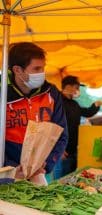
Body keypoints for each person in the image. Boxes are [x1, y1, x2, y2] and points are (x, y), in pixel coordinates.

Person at [5, 42, 68, 181]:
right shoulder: (2, 93)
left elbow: (61, 132)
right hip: (6, 172)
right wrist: (10, 167)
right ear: (17, 70)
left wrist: (48, 164)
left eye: (43, 68)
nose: (42, 73)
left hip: (41, 171)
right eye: (36, 68)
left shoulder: (51, 92)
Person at [55, 75, 102, 178]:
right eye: (76, 87)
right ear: (68, 86)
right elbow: (52, 125)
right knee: (60, 180)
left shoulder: (74, 104)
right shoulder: (57, 102)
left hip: (74, 150)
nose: (78, 90)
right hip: (62, 151)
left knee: (70, 178)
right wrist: (57, 147)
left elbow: (86, 112)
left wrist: (95, 105)